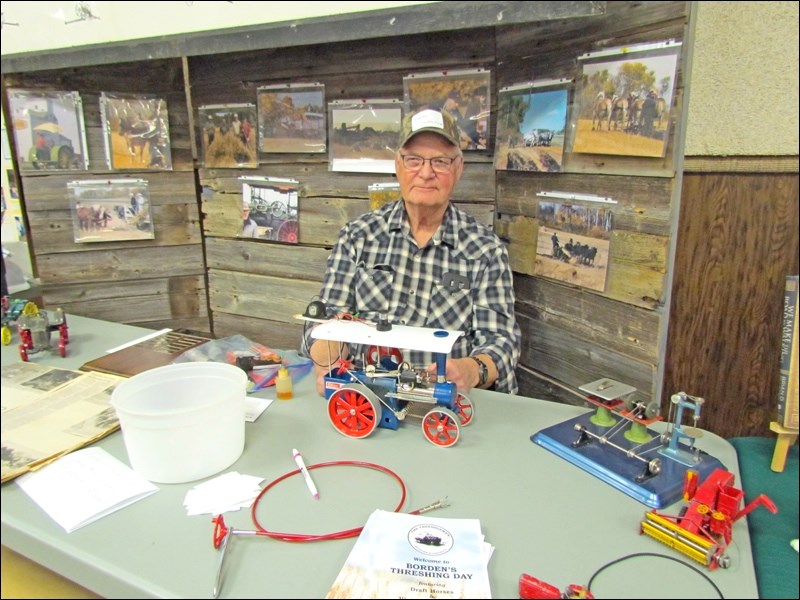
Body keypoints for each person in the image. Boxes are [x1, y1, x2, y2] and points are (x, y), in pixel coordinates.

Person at [304, 108, 521, 395]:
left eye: (440, 162)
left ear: (458, 168)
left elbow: (501, 342)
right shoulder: (358, 237)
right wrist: (327, 355)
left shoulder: (485, 250)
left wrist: (470, 370)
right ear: (398, 164)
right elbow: (324, 320)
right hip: (368, 395)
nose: (426, 173)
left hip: (444, 401)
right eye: (414, 160)